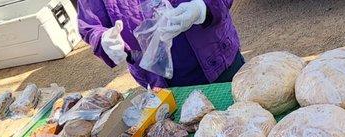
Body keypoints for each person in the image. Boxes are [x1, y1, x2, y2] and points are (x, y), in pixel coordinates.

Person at [78, 0, 243, 88]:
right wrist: (103, 39)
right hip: (161, 85)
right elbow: (90, 25)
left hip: (220, 62)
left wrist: (202, 8)